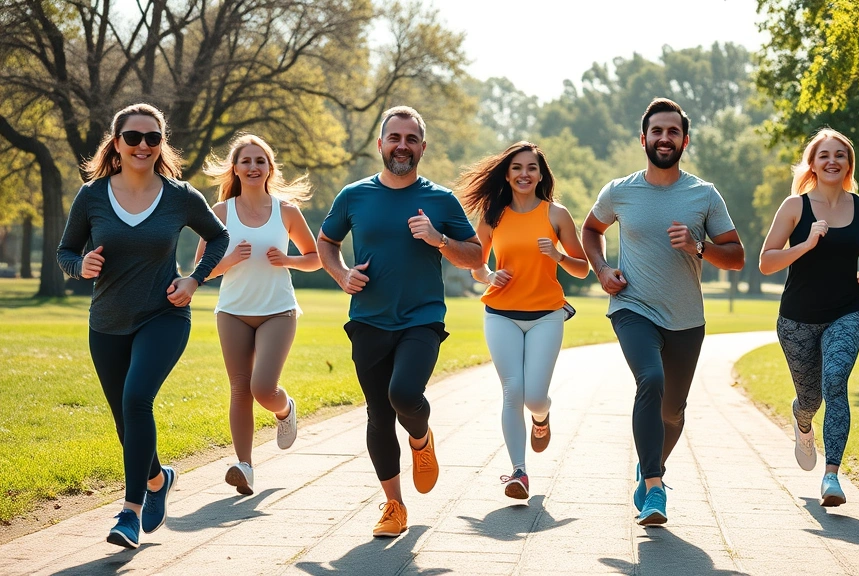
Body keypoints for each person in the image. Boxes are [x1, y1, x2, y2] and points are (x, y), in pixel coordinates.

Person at [56, 103, 229, 549]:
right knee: (125, 420)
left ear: (161, 144)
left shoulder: (180, 196)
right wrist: (80, 266)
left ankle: (129, 513)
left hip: (163, 315)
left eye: (153, 138)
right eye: (133, 137)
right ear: (117, 144)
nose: (143, 145)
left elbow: (219, 236)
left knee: (136, 400)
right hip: (107, 322)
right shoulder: (92, 196)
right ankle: (157, 479)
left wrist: (194, 280)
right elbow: (66, 251)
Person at [317, 106, 482, 537]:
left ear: (423, 147)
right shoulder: (354, 195)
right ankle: (394, 506)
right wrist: (341, 274)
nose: (402, 146)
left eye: (411, 139)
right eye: (395, 138)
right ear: (381, 144)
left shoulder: (440, 200)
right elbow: (326, 241)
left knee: (404, 394)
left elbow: (476, 254)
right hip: (368, 319)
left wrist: (439, 239)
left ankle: (421, 439)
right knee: (378, 413)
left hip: (421, 319)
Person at [581, 98, 744, 525]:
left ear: (685, 141)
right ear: (644, 139)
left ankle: (649, 465)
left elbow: (737, 256)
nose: (664, 138)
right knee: (650, 380)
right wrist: (602, 269)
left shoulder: (704, 194)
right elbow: (591, 229)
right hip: (632, 307)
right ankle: (655, 489)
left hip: (686, 318)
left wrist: (698, 246)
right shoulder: (620, 191)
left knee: (672, 411)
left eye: (673, 132)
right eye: (657, 131)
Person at [759, 129, 859, 506]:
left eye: (840, 155)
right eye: (824, 155)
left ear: (849, 164)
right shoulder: (794, 207)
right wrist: (807, 243)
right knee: (811, 399)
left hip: (846, 312)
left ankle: (831, 476)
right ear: (812, 164)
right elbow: (766, 262)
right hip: (797, 318)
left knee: (835, 381)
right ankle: (802, 420)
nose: (832, 161)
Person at [456, 141, 590, 500]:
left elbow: (582, 268)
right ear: (507, 174)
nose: (524, 174)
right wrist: (489, 276)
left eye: (532, 168)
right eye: (517, 168)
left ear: (541, 175)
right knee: (512, 391)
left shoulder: (556, 214)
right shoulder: (493, 216)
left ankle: (541, 417)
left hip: (547, 315)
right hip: (501, 314)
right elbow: (476, 265)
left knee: (535, 397)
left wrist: (558, 256)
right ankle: (519, 472)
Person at [194, 134, 321, 495]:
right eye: (246, 161)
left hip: (277, 311)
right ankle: (245, 466)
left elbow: (315, 258)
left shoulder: (286, 212)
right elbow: (200, 268)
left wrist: (288, 260)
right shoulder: (220, 213)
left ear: (270, 169)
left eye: (260, 161)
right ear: (235, 169)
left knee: (262, 388)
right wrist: (229, 259)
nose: (253, 167)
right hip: (232, 311)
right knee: (239, 388)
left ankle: (284, 409)